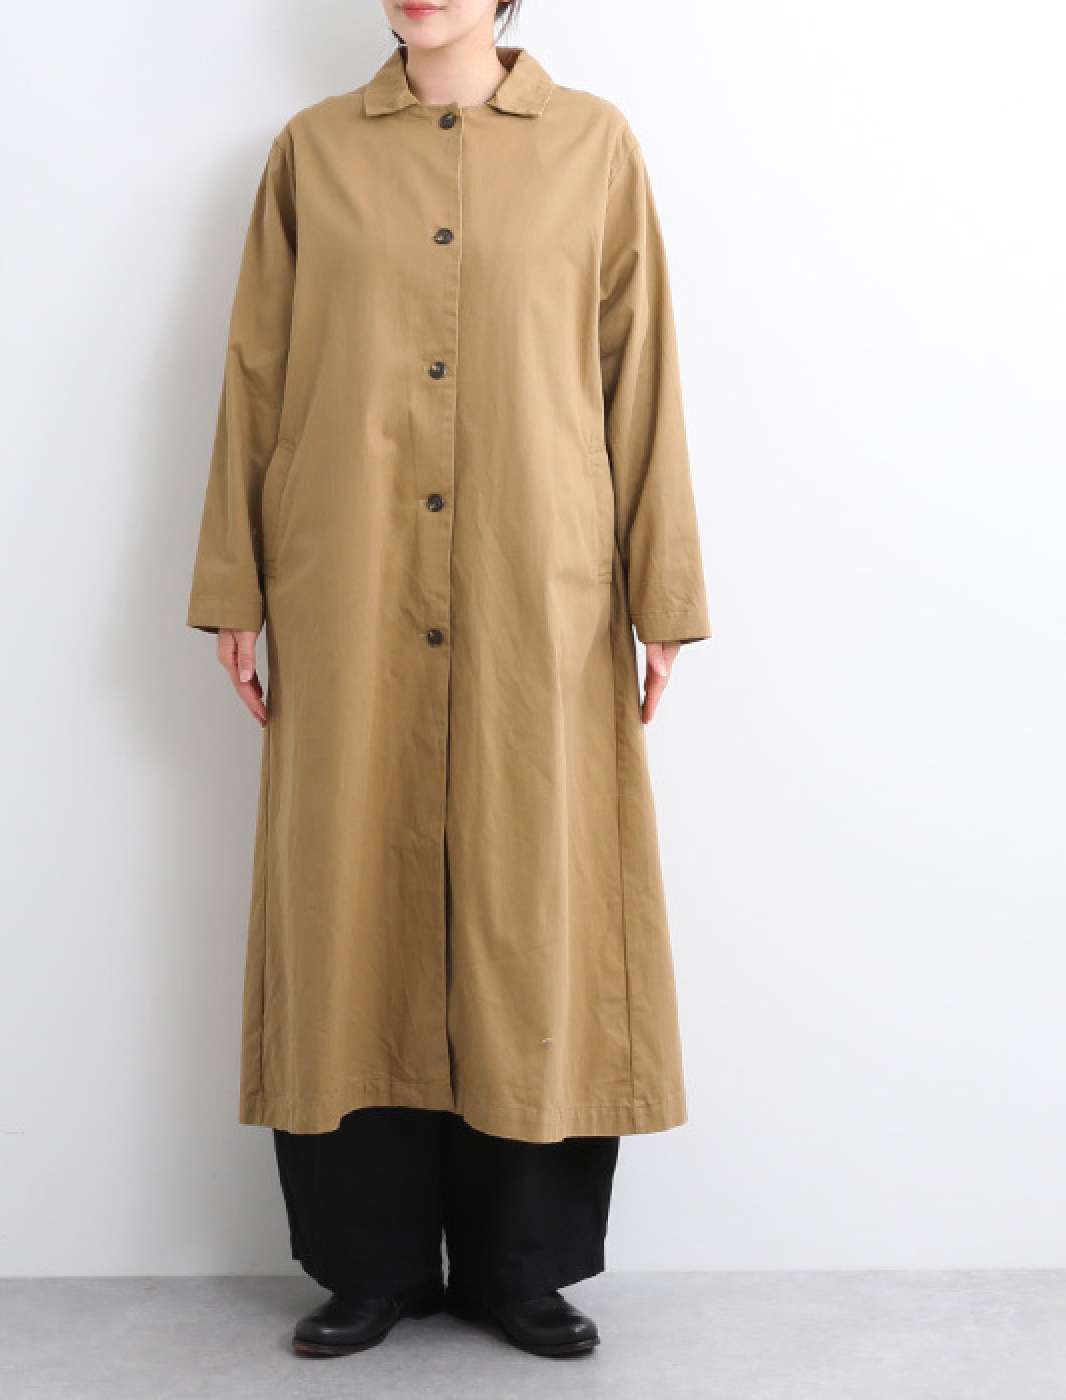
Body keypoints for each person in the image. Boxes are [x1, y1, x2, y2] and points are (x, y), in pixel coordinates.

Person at [185, 0, 712, 1362]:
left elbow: (639, 370)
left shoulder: (593, 147)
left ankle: (519, 1265)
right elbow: (256, 370)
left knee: (535, 903)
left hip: (540, 589)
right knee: (347, 900)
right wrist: (235, 581)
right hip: (348, 582)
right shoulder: (312, 154)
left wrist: (662, 595)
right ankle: (365, 1263)